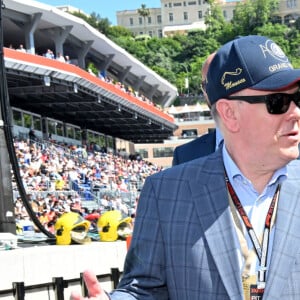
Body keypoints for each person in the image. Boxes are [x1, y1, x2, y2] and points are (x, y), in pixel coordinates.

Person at [71, 35, 300, 299]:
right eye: (278, 102)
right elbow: (144, 288)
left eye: (298, 98)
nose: (294, 112)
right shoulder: (165, 193)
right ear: (229, 114)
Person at [172, 52, 223, 165]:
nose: (215, 90)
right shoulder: (184, 156)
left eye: (221, 81)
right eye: (206, 85)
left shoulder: (268, 144)